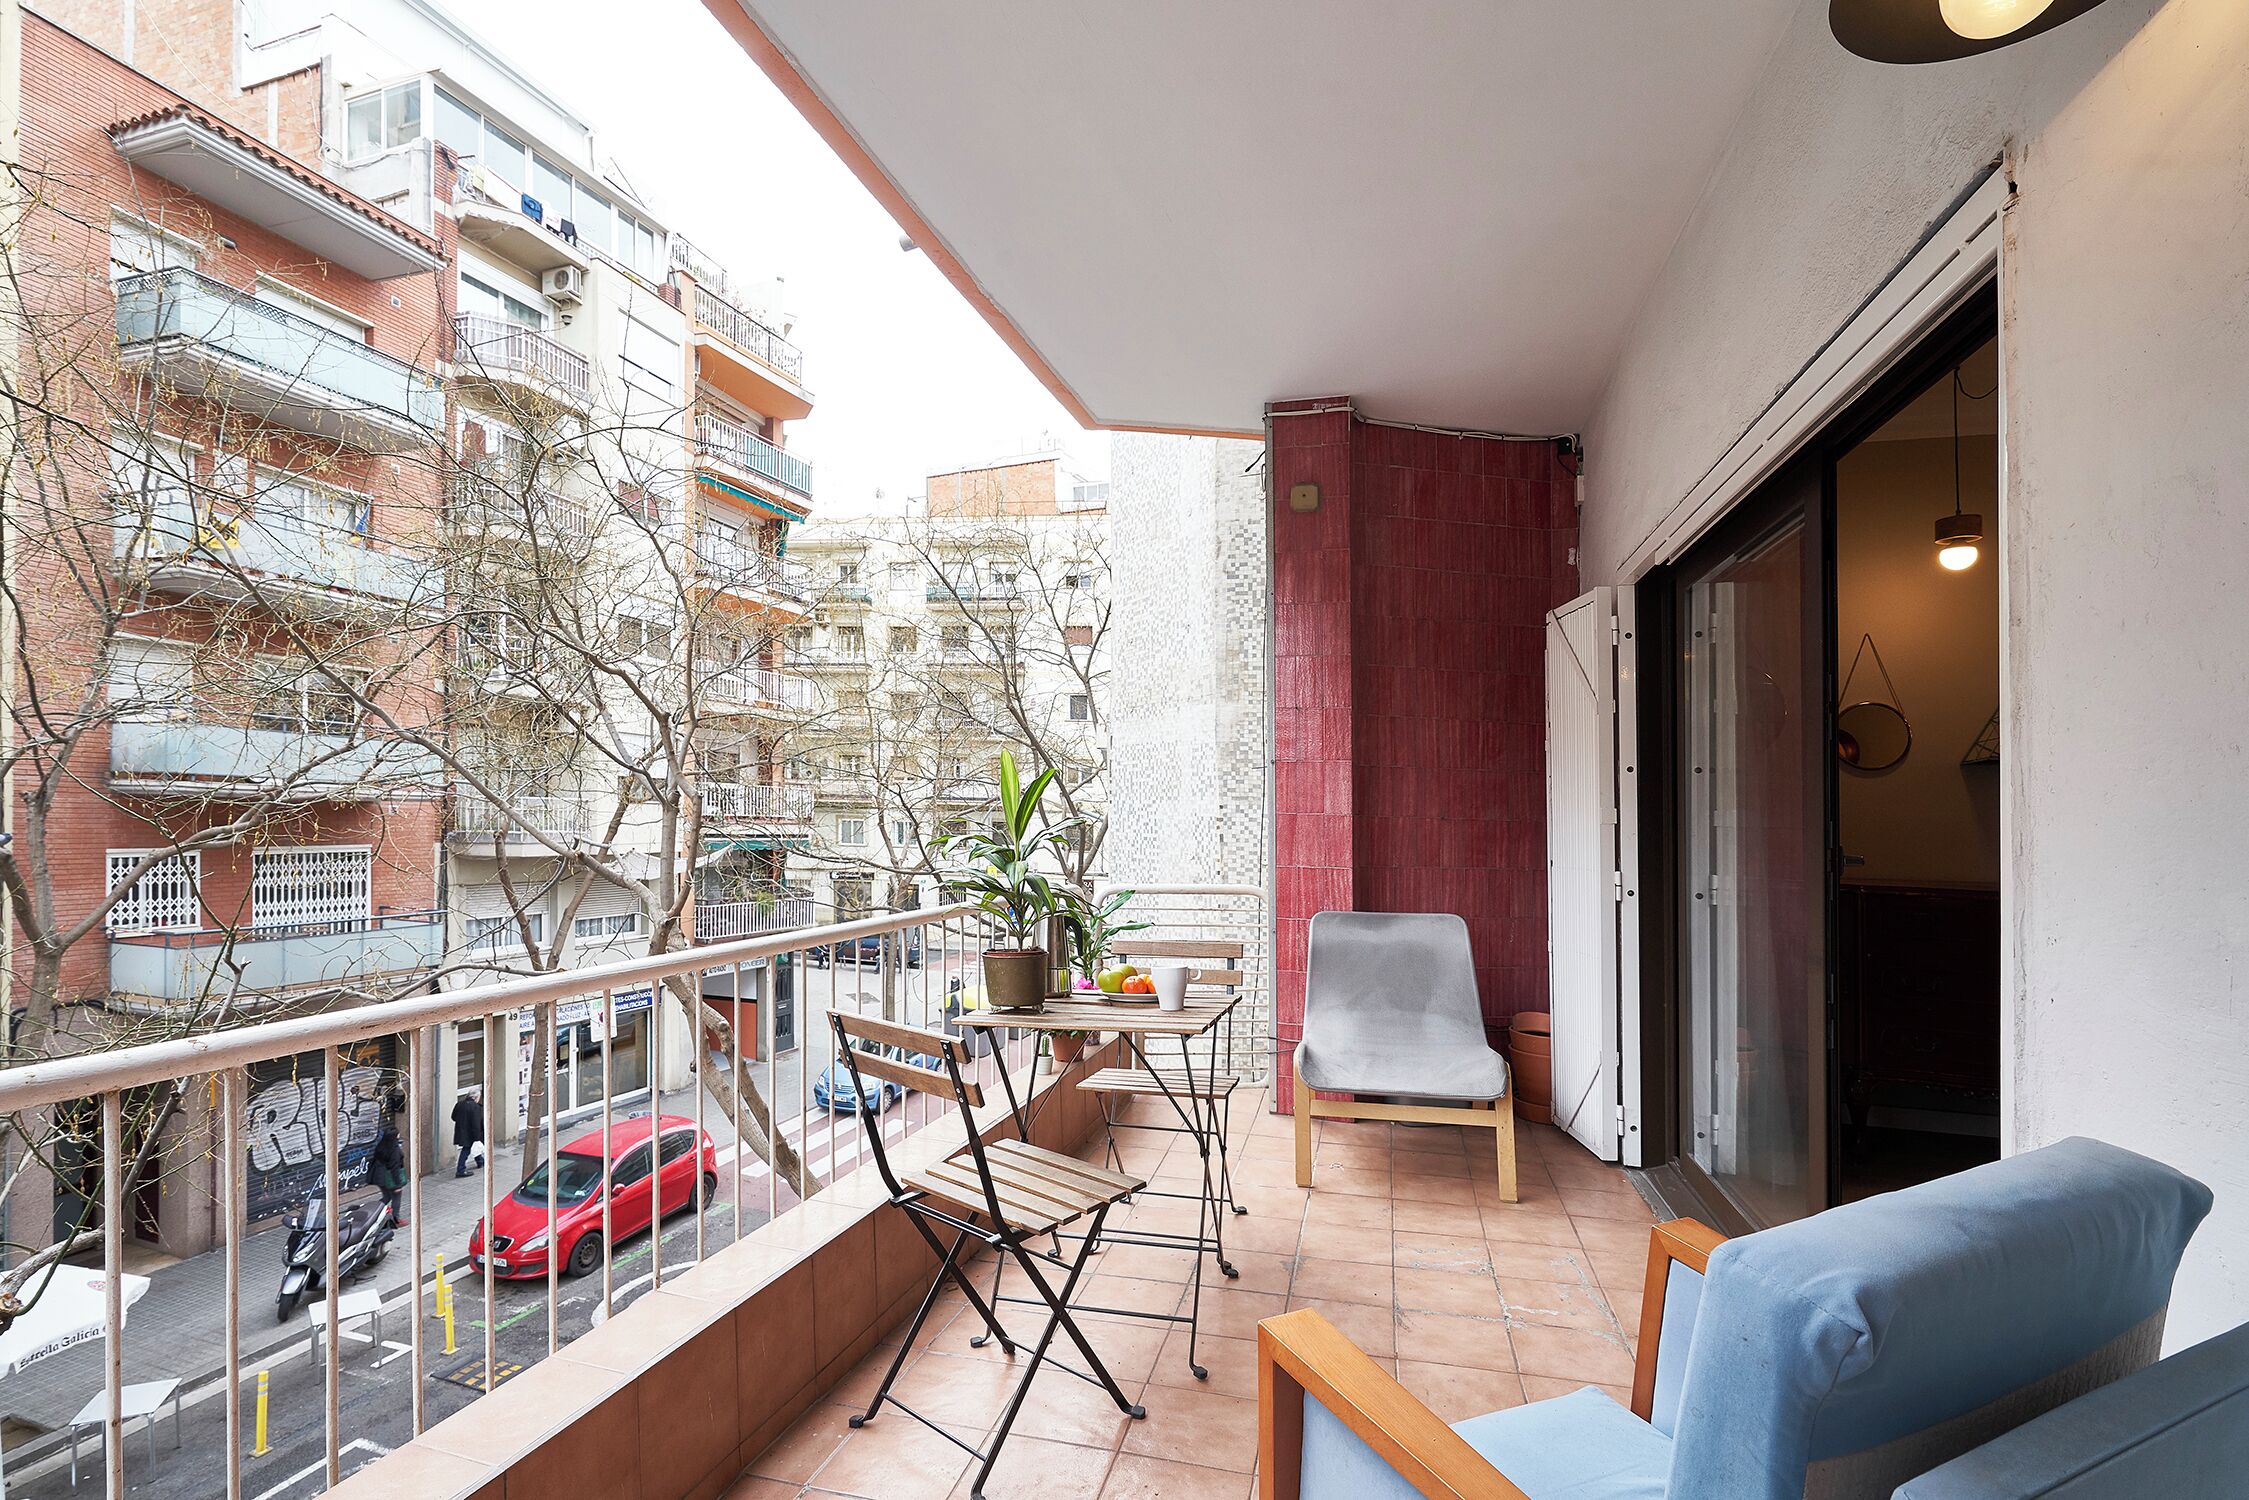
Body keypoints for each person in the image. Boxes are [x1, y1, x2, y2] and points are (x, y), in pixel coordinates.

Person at [369, 1121, 407, 1225]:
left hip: (378, 1177)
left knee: (387, 1197)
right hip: (389, 1178)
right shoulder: (394, 1149)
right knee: (396, 1197)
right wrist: (397, 1184)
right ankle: (396, 1219)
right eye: (398, 1134)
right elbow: (394, 1167)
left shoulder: (381, 1146)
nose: (399, 1135)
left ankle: (373, 1211)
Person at [451, 1087, 484, 1177]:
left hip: (461, 1131)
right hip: (470, 1133)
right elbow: (476, 1123)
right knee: (466, 1150)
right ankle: (460, 1170)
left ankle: (480, 1161)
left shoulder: (459, 1104)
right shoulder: (475, 1107)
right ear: (475, 1097)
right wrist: (477, 1137)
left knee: (473, 1148)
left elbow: (453, 1117)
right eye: (479, 1097)